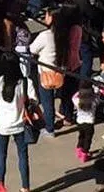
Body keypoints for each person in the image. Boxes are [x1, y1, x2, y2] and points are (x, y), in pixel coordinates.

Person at [0, 51, 35, 192]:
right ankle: (25, 187)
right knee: (23, 156)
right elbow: (34, 100)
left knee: (1, 157)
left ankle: (0, 187)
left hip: (1, 125)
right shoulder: (26, 82)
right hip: (20, 125)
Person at [29, 8, 69, 138]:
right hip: (60, 72)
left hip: (46, 73)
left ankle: (49, 128)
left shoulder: (45, 35)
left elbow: (32, 49)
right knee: (57, 97)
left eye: (46, 15)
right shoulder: (64, 34)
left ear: (51, 18)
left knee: (47, 102)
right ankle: (65, 116)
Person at [72, 80, 97, 163]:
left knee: (81, 136)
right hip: (89, 123)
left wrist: (79, 92)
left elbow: (73, 97)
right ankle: (85, 153)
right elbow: (99, 98)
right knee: (88, 139)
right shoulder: (93, 102)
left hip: (80, 122)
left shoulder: (77, 101)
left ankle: (79, 149)